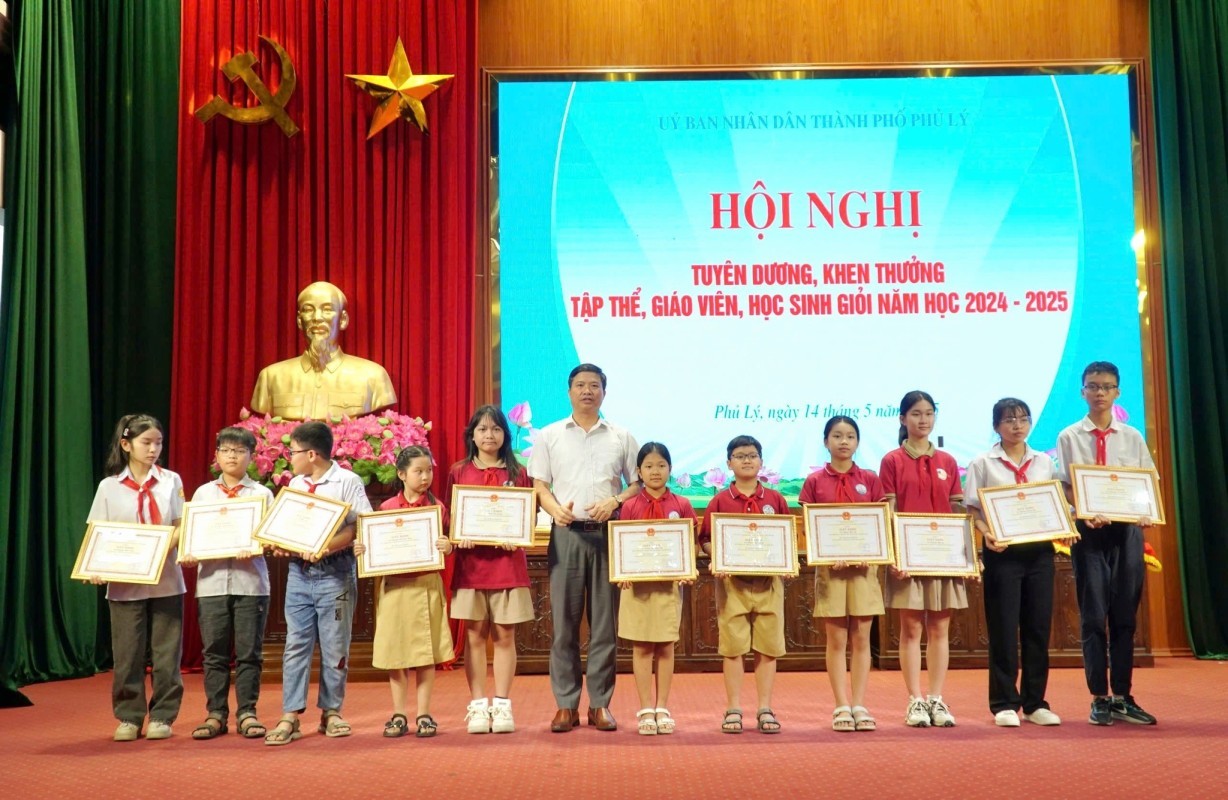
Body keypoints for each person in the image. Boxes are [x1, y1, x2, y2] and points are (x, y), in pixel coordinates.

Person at [529, 363, 640, 733]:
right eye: (580, 385)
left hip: (608, 536)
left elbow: (637, 484)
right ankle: (565, 704)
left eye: (594, 385)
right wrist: (553, 509)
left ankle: (600, 704)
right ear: (569, 391)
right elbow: (540, 486)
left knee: (605, 626)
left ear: (604, 392)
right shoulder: (549, 435)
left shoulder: (622, 436)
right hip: (567, 535)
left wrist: (615, 501)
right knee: (564, 625)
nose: (587, 391)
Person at [1057, 361, 1158, 726]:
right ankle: (1099, 696)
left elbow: (1147, 481)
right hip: (1089, 533)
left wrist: (1146, 511)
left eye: (1106, 386)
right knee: (1093, 615)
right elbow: (1065, 484)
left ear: (1118, 392)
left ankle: (1123, 695)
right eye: (1093, 386)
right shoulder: (1069, 436)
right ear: (1082, 391)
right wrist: (1082, 512)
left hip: (1127, 532)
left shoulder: (1131, 436)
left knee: (1125, 616)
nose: (1099, 392)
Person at [264, 421, 371, 745]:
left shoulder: (347, 481)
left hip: (336, 574)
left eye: (293, 452)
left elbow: (358, 526)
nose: (290, 458)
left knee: (335, 645)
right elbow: (286, 529)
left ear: (312, 454)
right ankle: (290, 714)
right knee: (295, 644)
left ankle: (332, 711)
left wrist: (326, 546)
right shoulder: (296, 484)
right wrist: (279, 543)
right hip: (299, 574)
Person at [963, 399, 1065, 728]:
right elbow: (972, 509)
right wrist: (986, 534)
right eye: (1009, 420)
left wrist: (1066, 526)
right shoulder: (983, 463)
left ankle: (1035, 703)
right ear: (996, 426)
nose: (1017, 425)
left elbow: (1054, 503)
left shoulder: (1044, 462)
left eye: (1023, 418)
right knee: (1004, 629)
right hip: (1002, 553)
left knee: (1037, 629)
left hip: (1040, 553)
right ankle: (1004, 702)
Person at [85, 414, 186, 742]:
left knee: (166, 655)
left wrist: (157, 551)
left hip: (166, 580)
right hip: (125, 586)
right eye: (146, 443)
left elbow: (181, 525)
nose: (153, 449)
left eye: (158, 443)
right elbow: (96, 533)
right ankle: (129, 716)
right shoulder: (109, 487)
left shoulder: (171, 480)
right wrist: (94, 567)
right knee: (128, 655)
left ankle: (163, 716)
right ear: (126, 445)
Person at [879, 390, 966, 728]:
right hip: (909, 557)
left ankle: (936, 698)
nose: (923, 420)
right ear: (903, 419)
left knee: (940, 627)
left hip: (944, 557)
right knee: (912, 627)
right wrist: (895, 555)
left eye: (929, 413)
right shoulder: (892, 461)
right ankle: (915, 699)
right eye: (916, 414)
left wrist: (966, 557)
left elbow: (957, 510)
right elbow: (889, 511)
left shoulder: (947, 461)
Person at [355, 446, 456, 738]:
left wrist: (448, 546)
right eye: (418, 471)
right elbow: (375, 547)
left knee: (426, 652)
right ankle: (399, 713)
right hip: (394, 587)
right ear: (401, 474)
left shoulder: (437, 509)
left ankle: (424, 714)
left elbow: (451, 542)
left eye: (429, 471)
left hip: (426, 585)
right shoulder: (386, 509)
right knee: (395, 652)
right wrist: (363, 549)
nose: (425, 477)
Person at [445, 406, 534, 734]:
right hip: (471, 567)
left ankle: (503, 704)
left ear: (505, 435)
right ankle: (478, 705)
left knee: (505, 635)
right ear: (472, 435)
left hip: (508, 566)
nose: (489, 435)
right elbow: (450, 516)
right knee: (474, 635)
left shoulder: (518, 472)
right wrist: (458, 535)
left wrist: (517, 535)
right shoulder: (459, 472)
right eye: (482, 429)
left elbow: (527, 515)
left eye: (495, 429)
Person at [181, 427, 275, 741]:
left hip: (251, 584)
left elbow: (272, 538)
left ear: (251, 457)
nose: (232, 456)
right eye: (226, 450)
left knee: (249, 653)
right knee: (214, 654)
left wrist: (259, 545)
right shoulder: (203, 494)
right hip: (211, 584)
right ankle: (215, 714)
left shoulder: (262, 494)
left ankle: (247, 712)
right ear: (217, 455)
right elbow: (193, 535)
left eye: (239, 451)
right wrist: (189, 553)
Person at [798, 415, 885, 733]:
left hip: (864, 570)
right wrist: (825, 554)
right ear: (826, 442)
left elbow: (880, 523)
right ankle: (840, 706)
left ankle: (859, 704)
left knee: (861, 637)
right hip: (830, 571)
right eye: (837, 436)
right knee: (836, 639)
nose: (844, 441)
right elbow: (808, 526)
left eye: (850, 436)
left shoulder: (870, 479)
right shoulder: (814, 481)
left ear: (857, 442)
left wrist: (870, 554)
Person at [700, 435, 789, 735]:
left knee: (767, 647)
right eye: (740, 456)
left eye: (752, 455)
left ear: (761, 461)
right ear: (729, 463)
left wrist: (787, 563)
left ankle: (765, 708)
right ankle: (733, 708)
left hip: (769, 583)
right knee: (733, 648)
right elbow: (705, 539)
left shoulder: (775, 499)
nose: (747, 460)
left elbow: (786, 538)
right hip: (732, 586)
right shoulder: (720, 500)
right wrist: (718, 557)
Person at [615, 442, 697, 736]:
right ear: (638, 471)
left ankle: (662, 706)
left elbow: (690, 544)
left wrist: (688, 568)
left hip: (668, 587)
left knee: (665, 646)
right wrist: (622, 572)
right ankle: (645, 708)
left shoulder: (682, 504)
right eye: (648, 466)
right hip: (636, 588)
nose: (655, 471)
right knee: (641, 647)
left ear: (670, 469)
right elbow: (621, 544)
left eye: (661, 465)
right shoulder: (629, 506)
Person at [250, 280, 396, 420]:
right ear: (299, 321)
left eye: (327, 309)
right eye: (308, 310)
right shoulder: (271, 377)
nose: (317, 318)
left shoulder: (372, 376)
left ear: (343, 320)